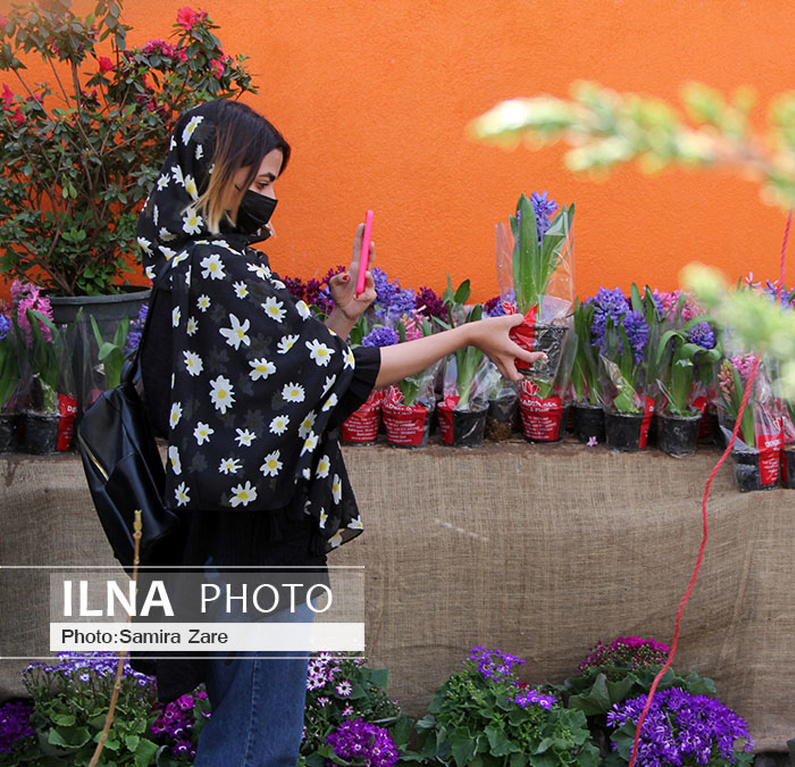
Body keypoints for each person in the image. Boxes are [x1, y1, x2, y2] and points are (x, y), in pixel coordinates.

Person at [134, 98, 540, 765]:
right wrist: (466, 333)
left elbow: (279, 386)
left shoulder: (189, 265)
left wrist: (340, 316)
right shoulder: (219, 269)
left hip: (221, 534)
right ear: (217, 172)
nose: (268, 197)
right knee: (256, 740)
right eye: (259, 181)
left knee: (242, 725)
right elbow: (346, 375)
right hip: (255, 548)